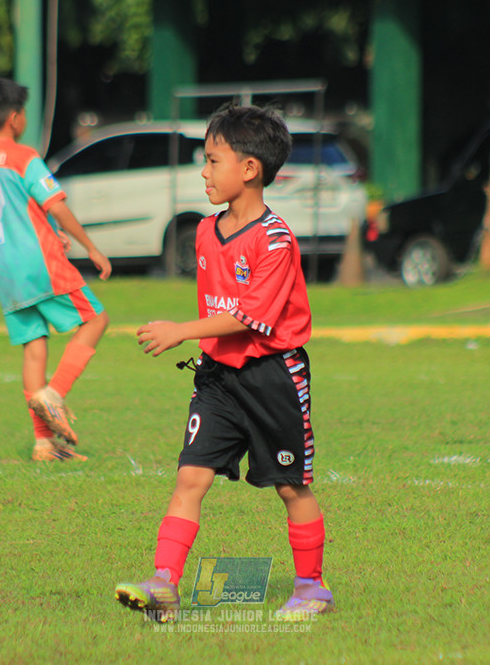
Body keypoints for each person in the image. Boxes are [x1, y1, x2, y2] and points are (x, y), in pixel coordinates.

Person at [114, 104, 333, 622]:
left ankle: (311, 588)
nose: (204, 172)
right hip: (217, 379)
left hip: (272, 376)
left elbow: (252, 318)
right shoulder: (207, 231)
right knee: (190, 477)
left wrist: (180, 331)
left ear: (250, 169)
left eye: (213, 160)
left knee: (290, 485)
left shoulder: (276, 241)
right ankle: (164, 583)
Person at [0, 77, 112, 462]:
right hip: (40, 263)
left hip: (6, 272)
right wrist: (90, 246)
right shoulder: (23, 157)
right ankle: (55, 395)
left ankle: (44, 444)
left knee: (34, 347)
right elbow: (55, 203)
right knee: (96, 320)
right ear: (15, 118)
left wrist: (47, 232)